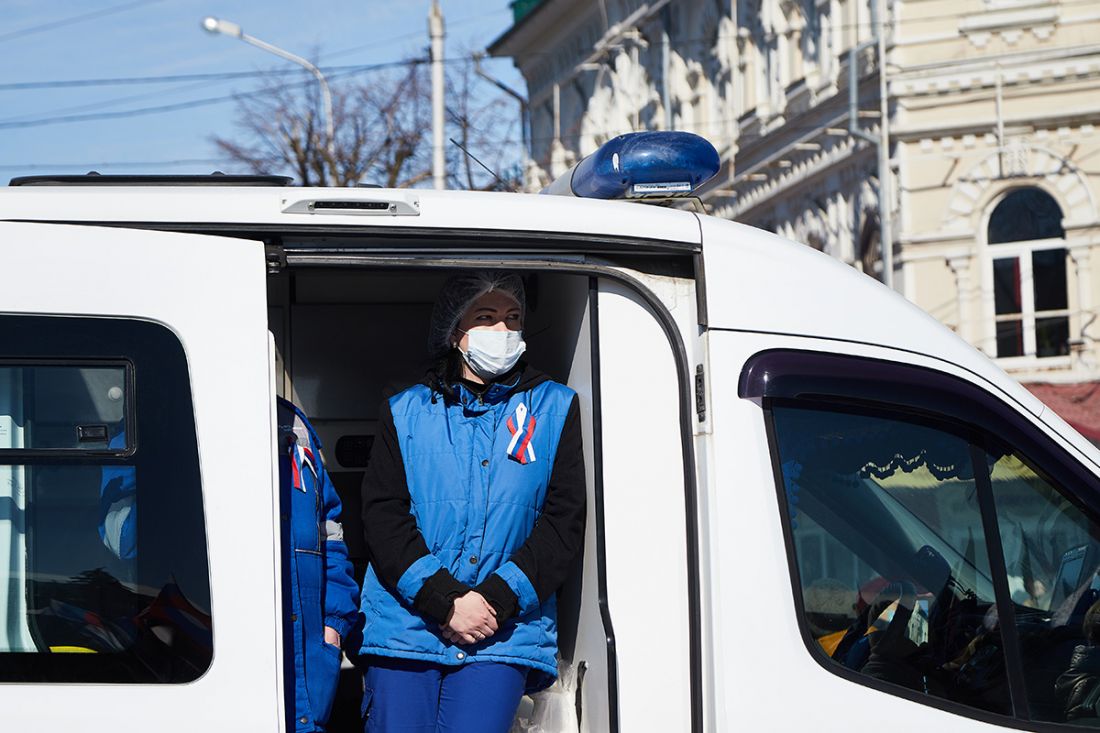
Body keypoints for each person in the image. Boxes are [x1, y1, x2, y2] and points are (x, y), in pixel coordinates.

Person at [357, 271, 587, 733]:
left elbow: (563, 523)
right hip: (406, 629)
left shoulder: (556, 408)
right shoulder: (404, 412)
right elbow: (384, 517)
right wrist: (445, 602)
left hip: (501, 635)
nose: (502, 332)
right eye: (486, 317)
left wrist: (494, 602)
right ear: (454, 332)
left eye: (513, 318)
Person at [277, 398, 360, 733]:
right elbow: (124, 538)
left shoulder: (290, 423)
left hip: (308, 664)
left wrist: (334, 627)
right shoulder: (171, 407)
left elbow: (332, 535)